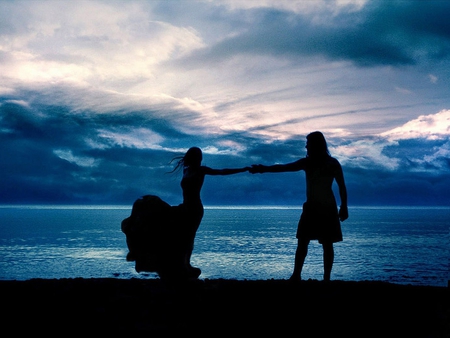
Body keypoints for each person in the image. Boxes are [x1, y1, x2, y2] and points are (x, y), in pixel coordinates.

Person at [250, 131, 348, 281]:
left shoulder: (329, 163)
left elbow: (342, 186)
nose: (306, 146)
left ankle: (322, 277)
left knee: (322, 243)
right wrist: (263, 169)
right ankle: (298, 275)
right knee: (305, 241)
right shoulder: (315, 163)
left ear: (315, 145)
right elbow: (284, 168)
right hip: (316, 206)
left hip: (325, 207)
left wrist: (344, 207)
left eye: (308, 143)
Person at [168, 146, 250, 279]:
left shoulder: (201, 170)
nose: (200, 160)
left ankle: (186, 264)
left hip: (195, 208)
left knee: (189, 236)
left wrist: (242, 169)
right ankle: (181, 263)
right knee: (181, 235)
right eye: (198, 157)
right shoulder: (186, 170)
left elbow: (222, 172)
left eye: (200, 158)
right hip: (185, 207)